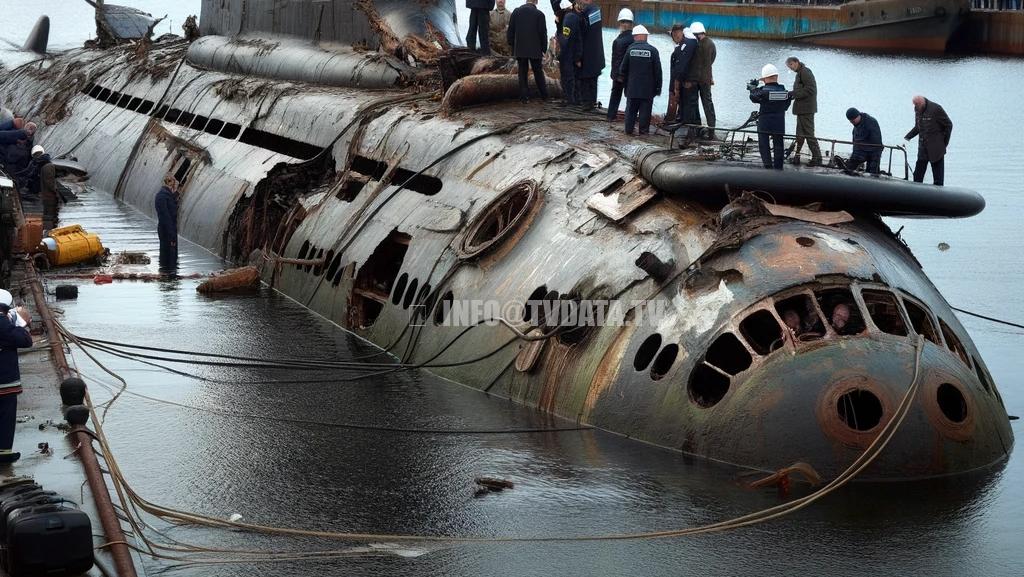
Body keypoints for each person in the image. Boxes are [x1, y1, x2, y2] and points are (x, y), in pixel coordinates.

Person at [0, 289, 32, 464]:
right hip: (5, 382)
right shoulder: (5, 325)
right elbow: (26, 341)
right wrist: (20, 324)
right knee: (5, 417)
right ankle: (4, 454)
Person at [748, 64, 792, 170]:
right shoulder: (784, 92)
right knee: (778, 145)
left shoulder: (762, 91)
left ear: (764, 78)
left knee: (764, 144)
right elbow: (786, 105)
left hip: (765, 121)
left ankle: (767, 166)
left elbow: (753, 97)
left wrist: (752, 88)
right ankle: (778, 168)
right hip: (779, 121)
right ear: (776, 76)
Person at [619, 25, 661, 136]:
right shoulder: (653, 51)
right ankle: (643, 132)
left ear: (637, 36)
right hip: (647, 90)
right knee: (645, 112)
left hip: (632, 88)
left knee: (631, 111)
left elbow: (622, 69)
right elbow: (658, 72)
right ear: (643, 36)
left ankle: (628, 130)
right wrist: (658, 88)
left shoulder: (630, 49)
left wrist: (625, 84)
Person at [905, 95, 953, 186]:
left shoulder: (936, 109)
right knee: (918, 176)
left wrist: (944, 143)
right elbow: (918, 127)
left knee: (938, 178)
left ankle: (939, 195)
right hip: (923, 148)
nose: (915, 107)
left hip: (936, 148)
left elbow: (949, 125)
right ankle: (915, 194)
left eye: (917, 105)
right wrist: (908, 137)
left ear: (922, 103)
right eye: (914, 105)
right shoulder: (917, 109)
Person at [508, 0, 548, 104]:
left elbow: (510, 31)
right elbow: (543, 34)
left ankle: (524, 97)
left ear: (526, 1)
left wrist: (512, 45)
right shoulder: (540, 14)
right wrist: (543, 49)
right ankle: (544, 96)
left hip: (520, 48)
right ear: (536, 2)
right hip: (535, 49)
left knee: (522, 72)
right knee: (538, 72)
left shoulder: (516, 12)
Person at [786, 56, 822, 167]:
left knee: (809, 134)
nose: (791, 68)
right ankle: (797, 156)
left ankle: (817, 158)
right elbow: (801, 89)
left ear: (797, 62)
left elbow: (811, 89)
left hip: (807, 109)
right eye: (789, 66)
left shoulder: (805, 72)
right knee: (799, 135)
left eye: (791, 65)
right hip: (802, 109)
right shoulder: (800, 73)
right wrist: (792, 94)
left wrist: (794, 94)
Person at [686, 22, 716, 139]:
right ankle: (712, 130)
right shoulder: (712, 44)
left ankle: (695, 129)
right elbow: (712, 59)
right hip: (707, 79)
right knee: (708, 104)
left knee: (694, 104)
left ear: (696, 34)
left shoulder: (697, 45)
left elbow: (693, 62)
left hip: (696, 80)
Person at [576, 0, 605, 111]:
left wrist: (578, 56)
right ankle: (591, 102)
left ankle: (586, 104)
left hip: (587, 55)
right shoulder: (595, 11)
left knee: (585, 80)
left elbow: (582, 35)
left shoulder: (587, 13)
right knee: (593, 80)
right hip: (597, 54)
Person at [606, 9, 634, 122]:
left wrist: (615, 75)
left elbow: (616, 60)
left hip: (620, 74)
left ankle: (610, 116)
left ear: (621, 23)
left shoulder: (618, 41)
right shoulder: (634, 39)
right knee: (630, 97)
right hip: (631, 74)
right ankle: (629, 118)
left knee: (615, 95)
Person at [556, 0, 582, 107]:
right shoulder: (573, 17)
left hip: (567, 54)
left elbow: (565, 38)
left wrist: (560, 54)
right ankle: (574, 99)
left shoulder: (569, 18)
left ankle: (569, 100)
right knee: (572, 77)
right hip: (573, 52)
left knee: (567, 77)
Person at [846, 107, 883, 175]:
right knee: (851, 164)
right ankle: (848, 171)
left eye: (853, 120)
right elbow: (855, 140)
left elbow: (877, 143)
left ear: (858, 116)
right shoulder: (856, 125)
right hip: (860, 149)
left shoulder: (871, 122)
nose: (852, 122)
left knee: (872, 171)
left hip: (873, 150)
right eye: (850, 121)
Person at [29, 146, 58, 231]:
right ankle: (50, 230)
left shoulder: (40, 165)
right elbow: (50, 183)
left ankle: (47, 229)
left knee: (47, 213)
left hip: (45, 195)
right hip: (49, 196)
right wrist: (55, 191)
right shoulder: (49, 166)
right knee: (50, 214)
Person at [155, 175, 179, 270]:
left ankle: (167, 280)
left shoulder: (165, 195)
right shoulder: (162, 197)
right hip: (167, 232)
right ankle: (168, 280)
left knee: (168, 258)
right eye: (174, 185)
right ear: (170, 183)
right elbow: (166, 218)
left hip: (167, 230)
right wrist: (172, 236)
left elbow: (170, 202)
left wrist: (175, 193)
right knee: (169, 260)